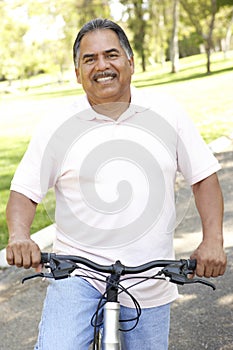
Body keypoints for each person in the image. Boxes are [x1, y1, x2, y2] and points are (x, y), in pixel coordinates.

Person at [6, 18, 227, 350]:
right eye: (89, 59)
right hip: (77, 274)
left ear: (131, 62)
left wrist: (213, 241)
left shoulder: (167, 112)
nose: (102, 65)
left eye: (111, 55)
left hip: (150, 276)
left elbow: (204, 180)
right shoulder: (57, 125)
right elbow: (24, 192)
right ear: (78, 72)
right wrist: (20, 236)